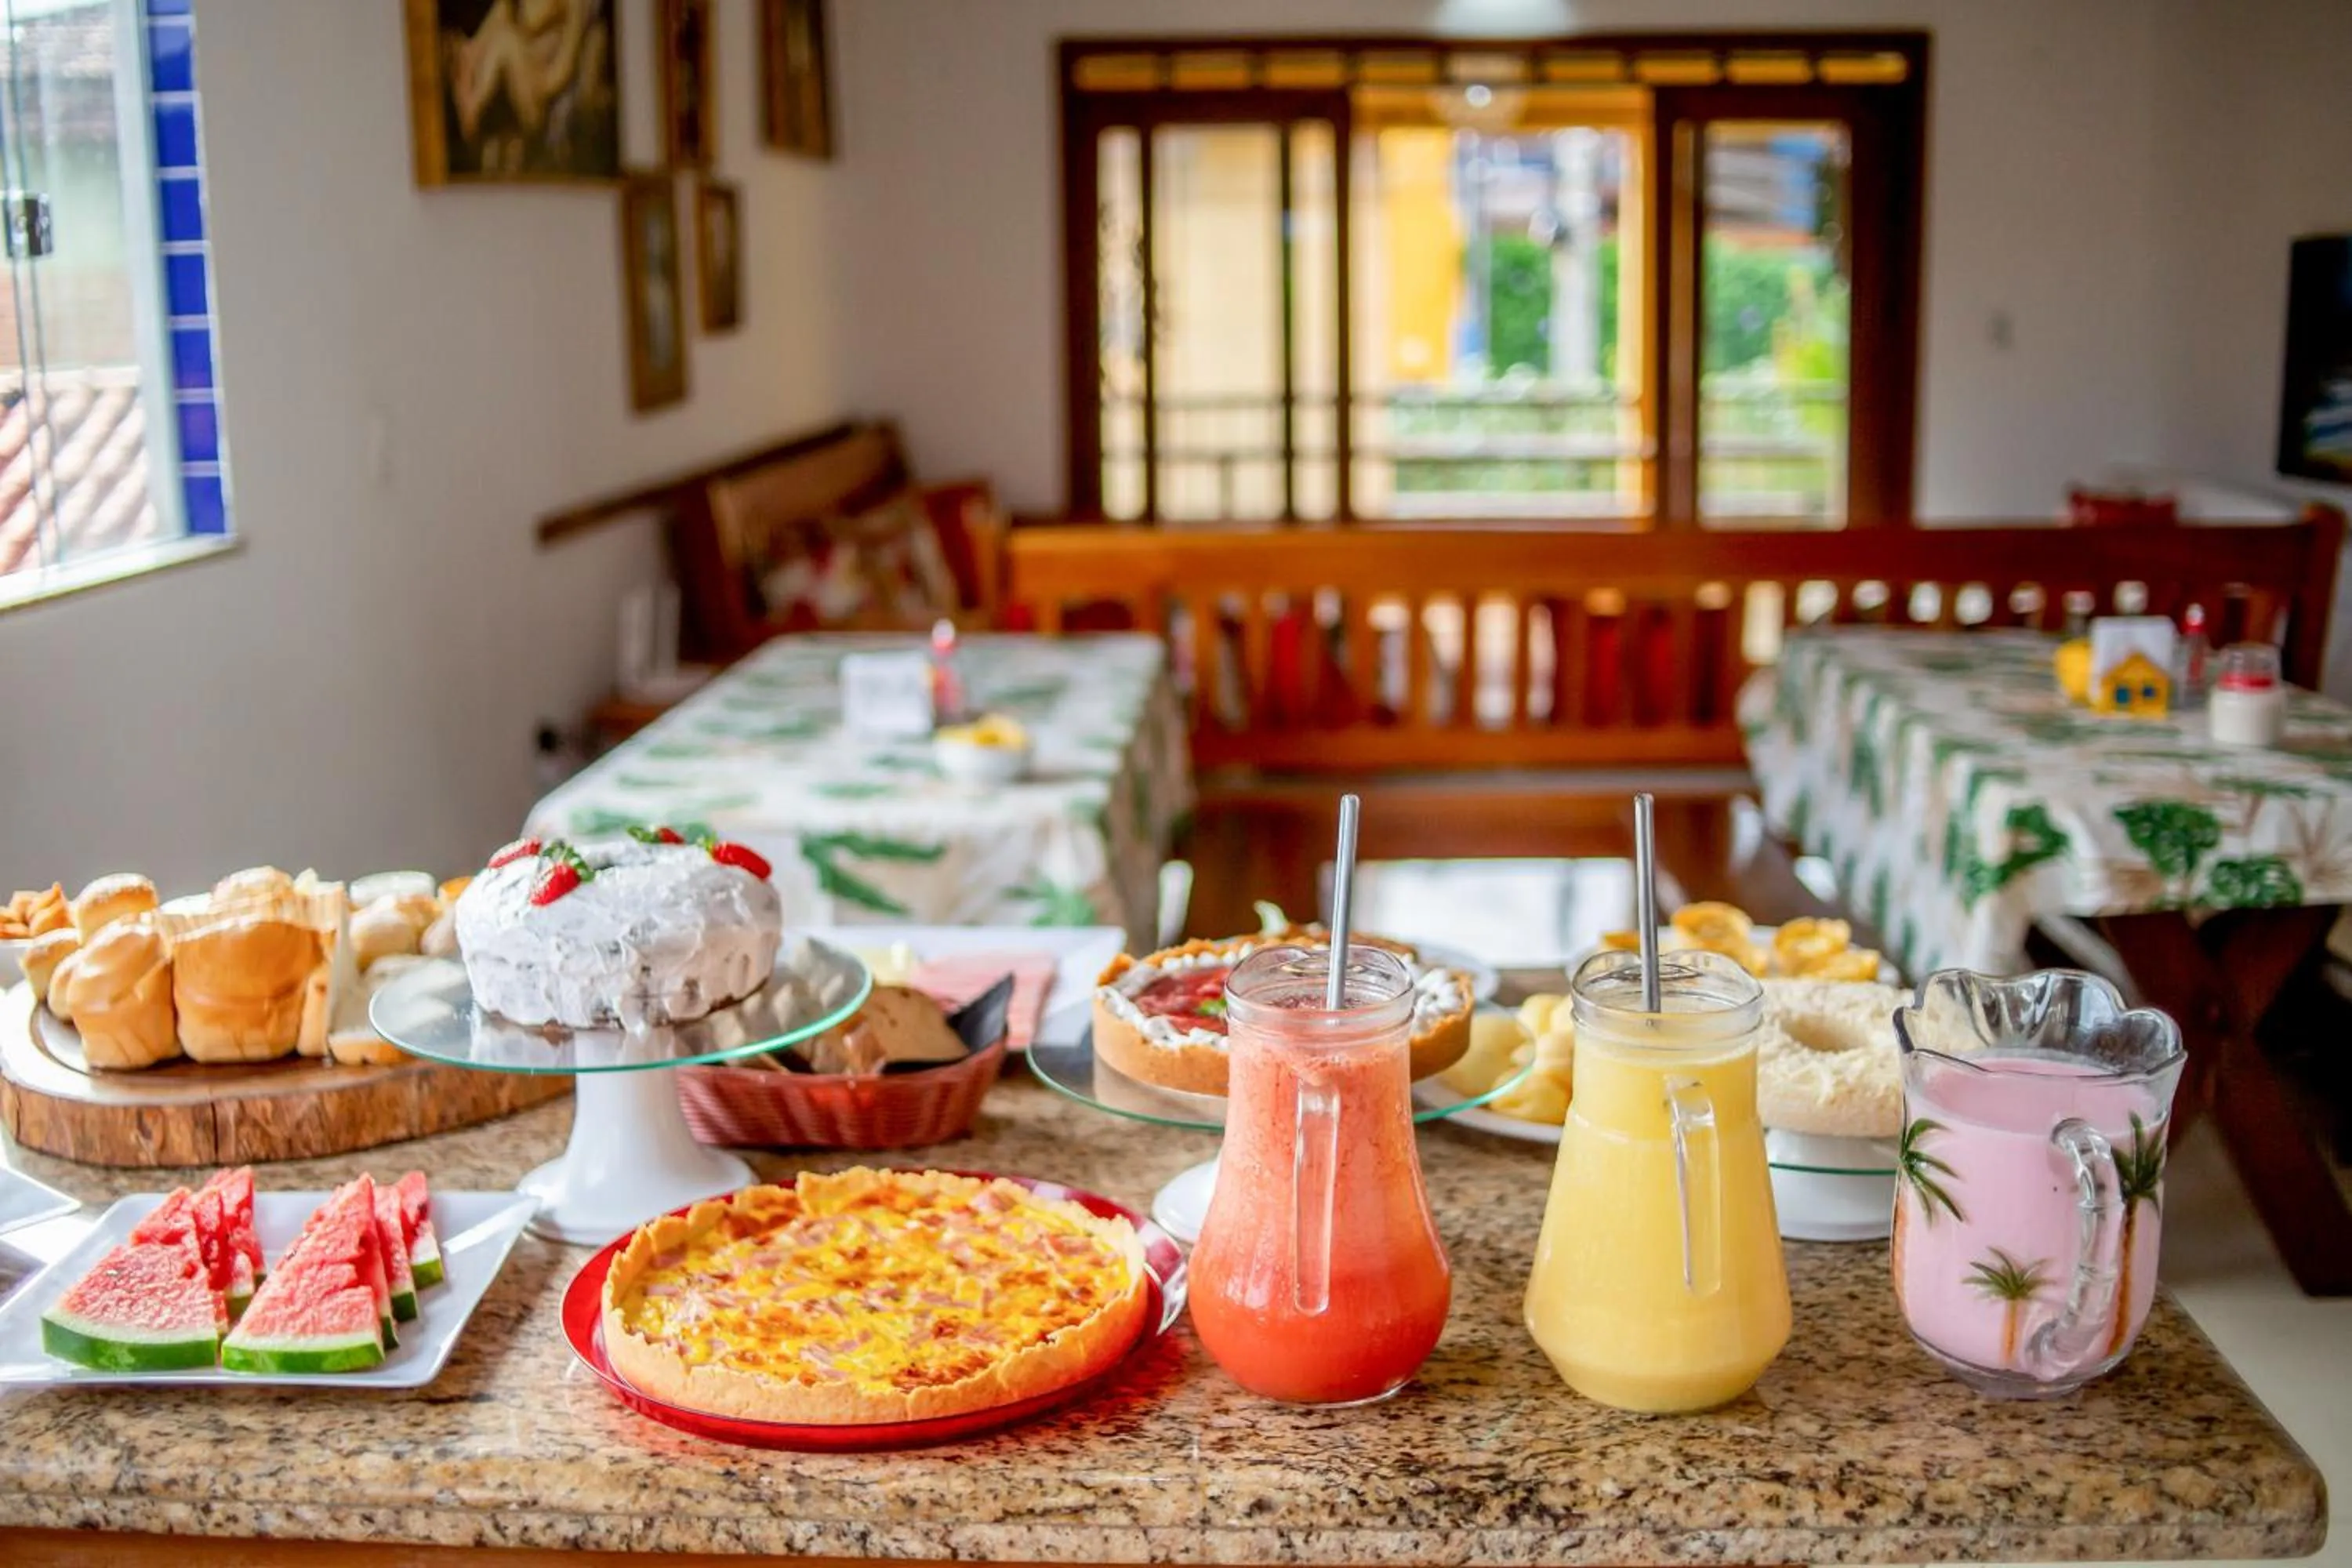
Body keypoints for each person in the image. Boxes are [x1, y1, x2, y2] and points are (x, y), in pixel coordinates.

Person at [444, 0, 611, 164]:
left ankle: (474, 108)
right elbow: (479, 44)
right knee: (479, 46)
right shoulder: (511, 4)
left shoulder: (574, 5)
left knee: (506, 41)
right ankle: (470, 108)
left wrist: (528, 79)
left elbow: (562, 73)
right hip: (507, 90)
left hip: (539, 101)